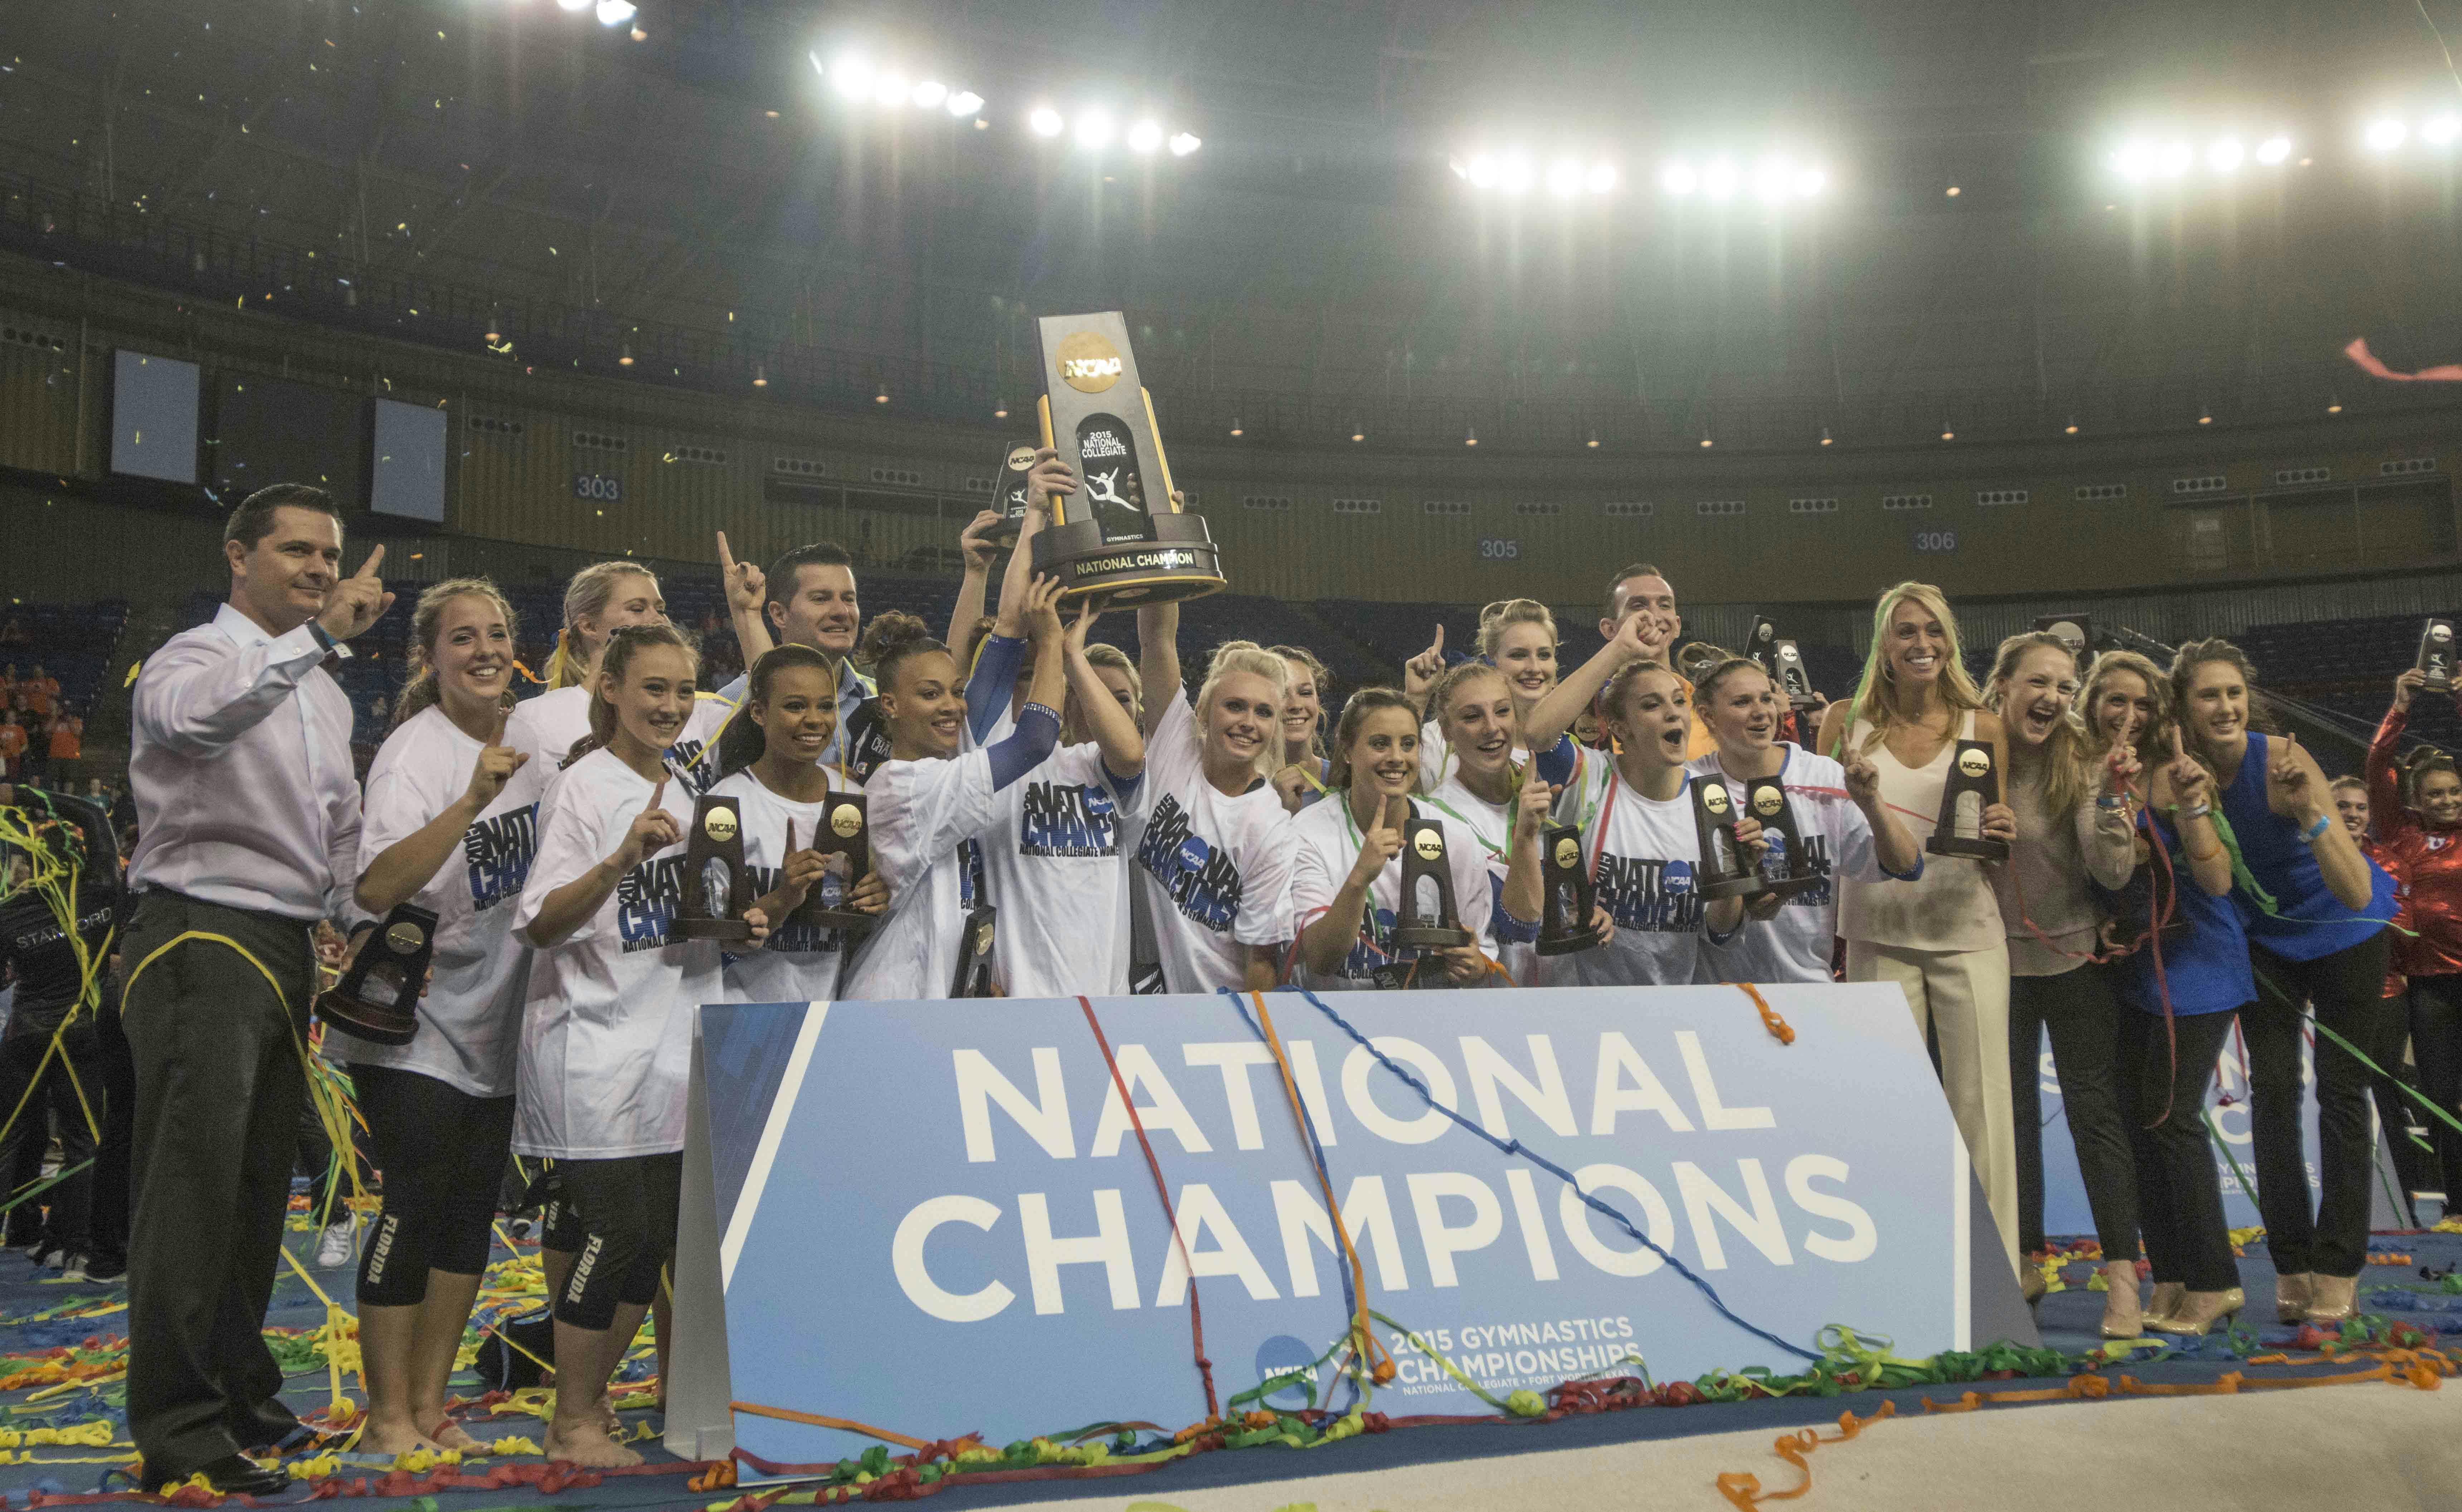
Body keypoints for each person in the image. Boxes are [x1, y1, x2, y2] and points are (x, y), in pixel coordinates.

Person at [119, 483, 390, 1495]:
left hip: (283, 946)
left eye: (330, 553)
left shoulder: (324, 689)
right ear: (239, 556)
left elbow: (341, 836)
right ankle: (180, 1432)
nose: (321, 568)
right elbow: (194, 728)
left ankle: (240, 1396)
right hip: (197, 930)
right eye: (297, 551)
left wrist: (378, 923)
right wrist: (315, 639)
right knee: (193, 1190)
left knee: (250, 1190)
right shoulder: (195, 657)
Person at [513, 623, 770, 1468]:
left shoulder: (687, 791)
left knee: (649, 1240)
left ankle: (585, 1408)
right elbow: (542, 925)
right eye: (650, 687)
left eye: (680, 690)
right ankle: (572, 1419)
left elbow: (688, 918)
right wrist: (621, 857)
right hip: (594, 1047)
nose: (666, 705)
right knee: (615, 1234)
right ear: (611, 688)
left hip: (670, 1048)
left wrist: (746, 921)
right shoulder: (584, 786)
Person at [335, 579, 535, 1456]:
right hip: (411, 1023)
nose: (485, 650)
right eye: (463, 638)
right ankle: (386, 1416)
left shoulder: (533, 742)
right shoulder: (416, 752)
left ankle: (427, 1400)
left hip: (497, 1017)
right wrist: (469, 803)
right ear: (431, 657)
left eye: (496, 633)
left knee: (466, 1218)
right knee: (414, 1206)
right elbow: (375, 886)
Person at [2175, 639, 2395, 1325]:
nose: (2225, 706)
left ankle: (2338, 1265)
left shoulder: (2283, 761)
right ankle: (2292, 1261)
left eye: (2234, 693)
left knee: (2340, 1093)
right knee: (2272, 1094)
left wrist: (2309, 812)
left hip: (2344, 933)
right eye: (2209, 695)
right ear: (2185, 707)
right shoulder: (2179, 773)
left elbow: (2357, 889)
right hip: (2266, 943)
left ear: (2250, 699)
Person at [1815, 582, 2020, 1277]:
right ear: (1883, 643)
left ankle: (1989, 1270)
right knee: (1885, 1110)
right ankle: (1890, 1266)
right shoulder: (1843, 722)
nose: (1921, 643)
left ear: (1949, 640)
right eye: (1905, 631)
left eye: (1932, 630)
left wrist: (2001, 830)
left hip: (1967, 929)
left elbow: (1993, 836)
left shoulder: (1981, 723)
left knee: (1980, 1109)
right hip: (1876, 929)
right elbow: (1824, 828)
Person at [2081, 653, 2248, 1335]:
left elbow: (2218, 881)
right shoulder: (2083, 769)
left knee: (2174, 1119)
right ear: (2092, 703)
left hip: (2199, 960)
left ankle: (2215, 1281)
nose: (2130, 715)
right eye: (2116, 700)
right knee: (2139, 1124)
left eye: (2144, 703)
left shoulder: (2178, 775)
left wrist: (2191, 806)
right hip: (2132, 967)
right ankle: (2173, 1272)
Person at [1984, 632, 2144, 1332]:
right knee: (2012, 1118)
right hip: (1993, 966)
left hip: (2074, 959)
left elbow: (2112, 873)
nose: (2050, 697)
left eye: (2063, 686)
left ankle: (2121, 1279)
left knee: (2093, 1115)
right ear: (2002, 687)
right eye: (2037, 682)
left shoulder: (2081, 760)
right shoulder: (1972, 753)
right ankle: (2023, 1258)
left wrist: (2112, 806)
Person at [838, 588, 1070, 999]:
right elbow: (1034, 741)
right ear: (889, 704)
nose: (952, 706)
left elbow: (998, 658)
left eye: (956, 691)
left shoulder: (941, 774)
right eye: (930, 694)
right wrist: (1052, 643)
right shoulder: (906, 786)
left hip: (937, 995)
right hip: (894, 997)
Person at [1685, 652, 1922, 984]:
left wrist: (1871, 801)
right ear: (1708, 716)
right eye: (1742, 702)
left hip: (1810, 987)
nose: (1761, 712)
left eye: (1766, 698)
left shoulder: (1821, 775)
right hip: (1719, 992)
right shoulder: (1691, 787)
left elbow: (1908, 867)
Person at [1131, 603, 1300, 994]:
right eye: (1235, 706)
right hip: (1143, 1000)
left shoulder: (1270, 826)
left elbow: (1259, 959)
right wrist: (1164, 561)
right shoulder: (1176, 745)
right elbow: (1156, 640)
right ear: (1204, 710)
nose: (1248, 722)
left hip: (1218, 1010)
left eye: (1263, 713)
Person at [1288, 687, 1505, 990]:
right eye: (1380, 744)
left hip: (1428, 1021)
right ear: (1348, 751)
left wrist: (1476, 966)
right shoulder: (1307, 833)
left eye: (1408, 744)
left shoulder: (1455, 836)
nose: (1396, 758)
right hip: (1335, 1022)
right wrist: (1359, 879)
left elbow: (1483, 956)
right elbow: (1321, 960)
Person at [707, 646, 889, 1003]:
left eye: (826, 706)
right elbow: (716, 943)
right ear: (759, 712)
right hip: (742, 1019)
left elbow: (861, 933)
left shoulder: (855, 798)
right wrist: (783, 898)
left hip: (833, 1019)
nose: (814, 720)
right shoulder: (727, 804)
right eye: (795, 706)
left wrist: (877, 900)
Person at [507, 545, 762, 798]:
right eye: (638, 609)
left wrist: (748, 615)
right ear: (589, 626)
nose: (659, 619)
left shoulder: (697, 711)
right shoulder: (534, 720)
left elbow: (774, 710)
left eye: (660, 609)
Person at [0, 784, 118, 1281]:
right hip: (82, 1032)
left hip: (28, 1032)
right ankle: (76, 1249)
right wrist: (24, 792)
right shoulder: (99, 887)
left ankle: (27, 1230)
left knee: (12, 1136)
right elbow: (94, 816)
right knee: (81, 1141)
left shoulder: (10, 910)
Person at [1419, 659, 1600, 974]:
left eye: (1503, 711)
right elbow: (1520, 928)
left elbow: (1562, 899)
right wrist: (1527, 835)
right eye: (1473, 716)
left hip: (1566, 995)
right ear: (1447, 731)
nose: (1492, 727)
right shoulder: (1438, 820)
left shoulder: (1546, 787)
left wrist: (1587, 915)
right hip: (1497, 1002)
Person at [2366, 670, 2462, 1219]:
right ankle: (2456, 1208)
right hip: (2429, 988)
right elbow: (2377, 768)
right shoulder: (2401, 833)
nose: (2447, 799)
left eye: (2453, 791)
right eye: (2435, 794)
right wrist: (2400, 705)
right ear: (2417, 800)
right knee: (2442, 1099)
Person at [1403, 599, 1561, 789]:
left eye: (1544, 655)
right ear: (1492, 658)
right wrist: (1416, 701)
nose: (1535, 668)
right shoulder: (1443, 738)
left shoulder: (1570, 750)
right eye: (1518, 655)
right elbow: (1398, 797)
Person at [1268, 645, 1332, 813]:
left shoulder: (1345, 780)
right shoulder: (1246, 788)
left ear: (1317, 702)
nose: (1296, 705)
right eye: (1282, 694)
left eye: (1305, 693)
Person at [46, 713, 81, 791]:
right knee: (55, 781)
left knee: (70, 781)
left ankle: (68, 800)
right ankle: (55, 800)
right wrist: (55, 717)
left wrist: (70, 721)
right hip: (55, 756)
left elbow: (77, 733)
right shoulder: (55, 720)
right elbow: (47, 731)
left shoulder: (77, 721)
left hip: (71, 756)